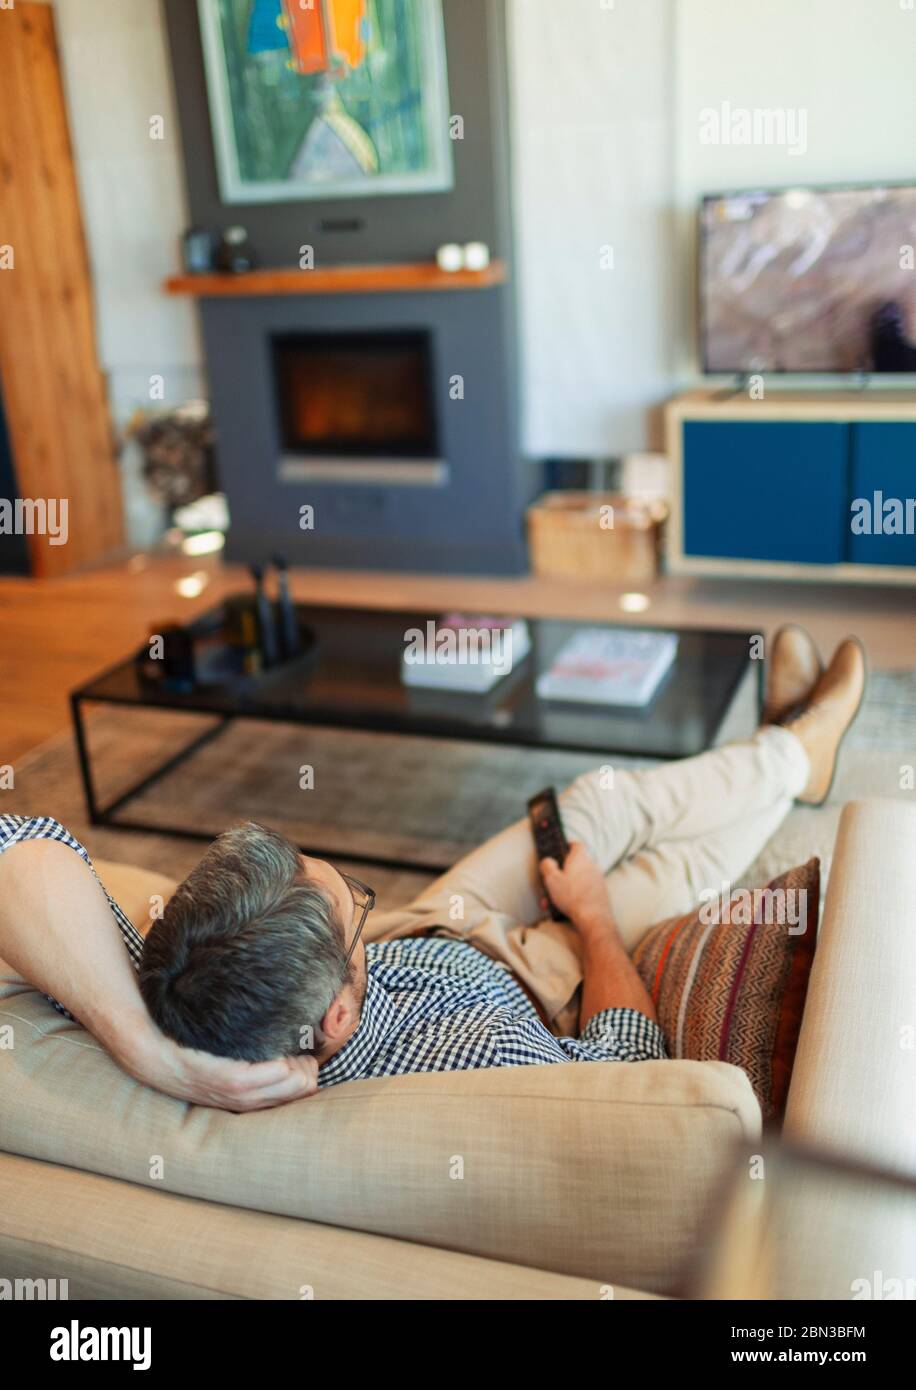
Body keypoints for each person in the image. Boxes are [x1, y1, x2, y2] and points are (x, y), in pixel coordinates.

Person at [0, 628, 865, 1111]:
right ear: (337, 1013)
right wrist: (594, 920)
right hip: (548, 971)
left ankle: (787, 750)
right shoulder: (481, 1063)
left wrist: (151, 1055)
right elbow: (629, 1062)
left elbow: (17, 844)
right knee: (648, 847)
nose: (350, 893)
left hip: (435, 930)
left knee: (588, 805)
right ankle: (795, 753)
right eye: (353, 907)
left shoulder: (172, 991)